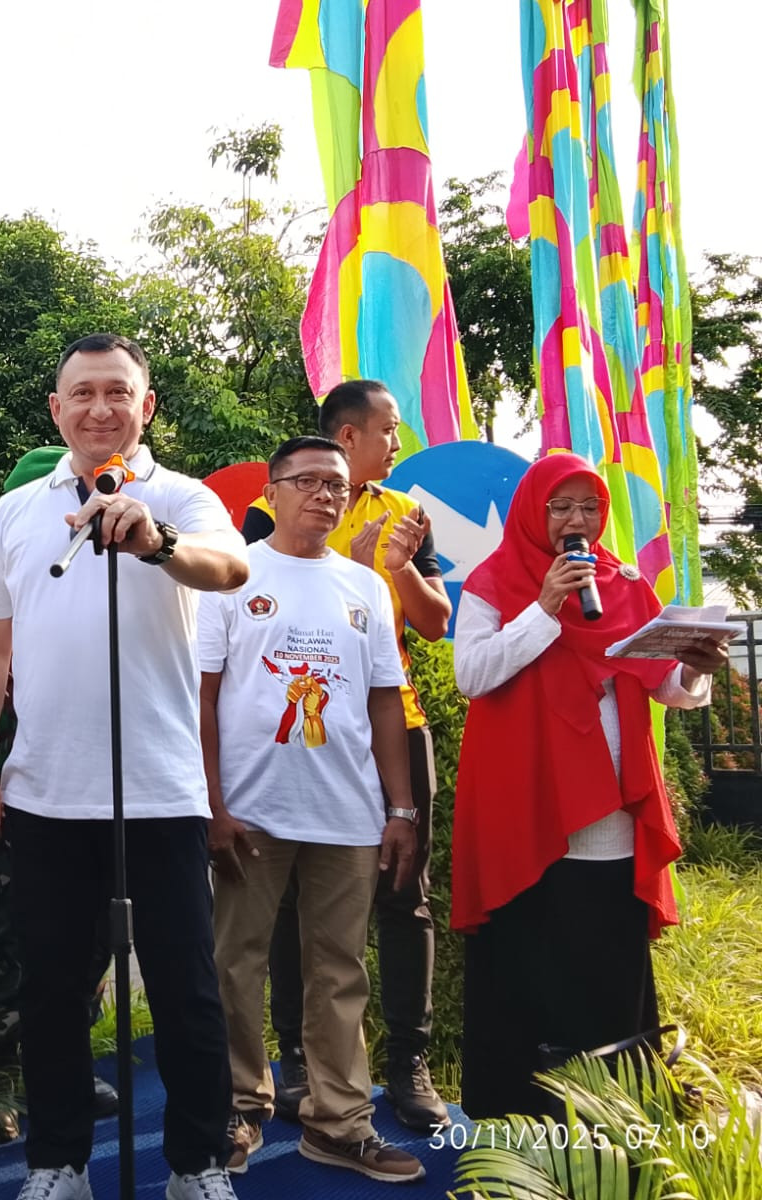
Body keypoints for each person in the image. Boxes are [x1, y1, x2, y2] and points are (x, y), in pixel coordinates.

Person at [0, 333, 249, 1200]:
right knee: (51, 992)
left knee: (187, 989)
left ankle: (196, 1165)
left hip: (161, 791)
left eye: (118, 391)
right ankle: (58, 1163)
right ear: (56, 409)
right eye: (81, 393)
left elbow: (230, 567)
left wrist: (157, 543)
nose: (100, 408)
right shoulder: (16, 512)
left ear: (145, 406)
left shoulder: (181, 496)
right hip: (46, 790)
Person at [451, 452, 724, 1119]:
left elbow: (667, 687)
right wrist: (545, 607)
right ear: (533, 511)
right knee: (529, 957)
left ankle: (620, 1108)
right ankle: (524, 1114)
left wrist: (696, 668)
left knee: (609, 959)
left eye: (589, 508)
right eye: (561, 507)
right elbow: (473, 676)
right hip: (528, 808)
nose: (577, 521)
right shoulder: (494, 581)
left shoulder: (624, 584)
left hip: (612, 814)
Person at [202, 436, 426, 1186]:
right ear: (271, 493)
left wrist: (401, 808)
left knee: (339, 971)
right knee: (236, 964)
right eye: (308, 482)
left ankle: (339, 1123)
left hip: (348, 813)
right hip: (252, 811)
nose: (326, 495)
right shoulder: (232, 575)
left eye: (336, 485)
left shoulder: (364, 586)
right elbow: (202, 695)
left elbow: (385, 701)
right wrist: (212, 802)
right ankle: (239, 1107)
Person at [241, 379, 451, 1130]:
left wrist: (391, 568)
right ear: (348, 434)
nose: (398, 443)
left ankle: (409, 1063)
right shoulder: (267, 512)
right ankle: (298, 1060)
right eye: (389, 429)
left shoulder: (407, 515)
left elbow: (435, 623)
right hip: (298, 734)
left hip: (394, 725)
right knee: (288, 898)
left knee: (404, 894)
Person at [0, 448, 119, 1143]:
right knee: (1, 928)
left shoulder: (108, 567)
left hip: (92, 780)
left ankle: (62, 1064)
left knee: (91, 934)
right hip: (10, 773)